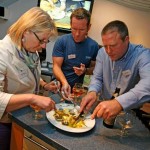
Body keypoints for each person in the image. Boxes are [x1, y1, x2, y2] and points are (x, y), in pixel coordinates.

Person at [0, 7, 58, 150]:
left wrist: (44, 85)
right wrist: (33, 98)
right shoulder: (2, 52)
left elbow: (29, 75)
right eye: (42, 40)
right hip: (4, 122)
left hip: (23, 116)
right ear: (26, 31)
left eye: (47, 41)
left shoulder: (30, 51)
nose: (43, 46)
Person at [80, 20, 150, 128]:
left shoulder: (143, 55)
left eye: (113, 45)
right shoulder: (102, 53)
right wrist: (92, 92)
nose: (108, 51)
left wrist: (119, 103)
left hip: (128, 114)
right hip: (104, 108)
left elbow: (148, 84)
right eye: (105, 45)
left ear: (126, 40)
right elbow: (97, 77)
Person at [52, 8, 99, 99]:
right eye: (74, 29)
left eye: (81, 30)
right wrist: (64, 83)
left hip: (77, 91)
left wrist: (85, 71)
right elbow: (56, 66)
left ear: (88, 27)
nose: (77, 34)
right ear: (70, 25)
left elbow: (95, 69)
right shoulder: (62, 41)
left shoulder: (94, 46)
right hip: (58, 87)